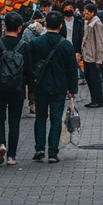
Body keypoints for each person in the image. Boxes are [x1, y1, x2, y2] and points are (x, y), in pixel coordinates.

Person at [30, 11, 79, 163]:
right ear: (60, 25)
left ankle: (39, 148)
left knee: (40, 117)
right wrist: (73, 89)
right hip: (59, 86)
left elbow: (30, 65)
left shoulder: (36, 43)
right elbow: (72, 69)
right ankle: (52, 152)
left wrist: (29, 86)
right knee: (56, 118)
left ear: (45, 25)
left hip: (40, 85)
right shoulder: (66, 45)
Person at [0, 11, 32, 167]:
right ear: (20, 28)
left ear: (4, 26)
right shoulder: (24, 46)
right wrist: (30, 90)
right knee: (14, 121)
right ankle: (11, 156)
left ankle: (1, 144)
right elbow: (28, 70)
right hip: (17, 89)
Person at [81, 2, 103, 107]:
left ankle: (98, 100)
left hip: (94, 58)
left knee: (95, 80)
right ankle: (94, 99)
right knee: (89, 80)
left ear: (92, 13)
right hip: (87, 56)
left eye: (87, 13)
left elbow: (100, 43)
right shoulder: (87, 23)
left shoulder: (97, 24)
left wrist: (99, 59)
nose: (84, 15)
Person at [60, 0, 85, 83]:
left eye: (70, 8)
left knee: (74, 64)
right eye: (66, 8)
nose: (68, 10)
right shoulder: (60, 22)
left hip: (75, 47)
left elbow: (81, 36)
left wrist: (79, 50)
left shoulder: (79, 22)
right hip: (63, 46)